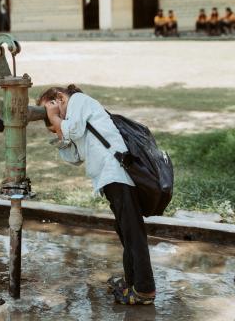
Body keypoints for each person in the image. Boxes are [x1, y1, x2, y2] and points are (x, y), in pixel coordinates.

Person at [37, 85, 156, 305]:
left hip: (116, 172)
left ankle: (144, 289)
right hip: (109, 176)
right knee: (125, 230)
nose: (55, 121)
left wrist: (55, 119)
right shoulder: (74, 116)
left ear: (60, 98)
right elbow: (73, 157)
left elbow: (72, 130)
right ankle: (133, 281)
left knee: (132, 232)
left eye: (54, 111)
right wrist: (58, 128)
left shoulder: (79, 101)